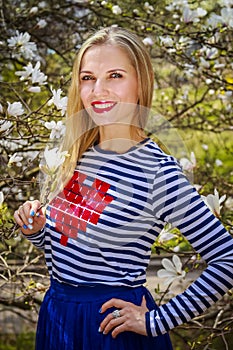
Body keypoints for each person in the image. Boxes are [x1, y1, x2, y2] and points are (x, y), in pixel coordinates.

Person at [14, 26, 233, 350]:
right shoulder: (75, 152)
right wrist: (37, 230)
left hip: (110, 330)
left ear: (140, 83)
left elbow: (226, 259)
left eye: (114, 75)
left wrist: (156, 321)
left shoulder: (158, 172)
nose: (98, 89)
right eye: (88, 77)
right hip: (59, 317)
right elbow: (69, 253)